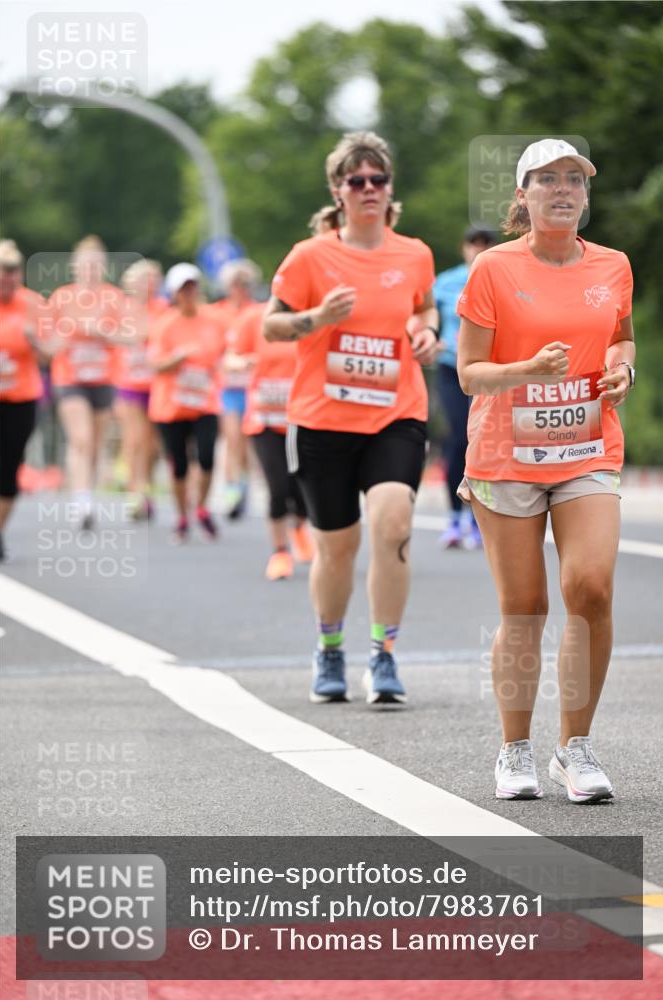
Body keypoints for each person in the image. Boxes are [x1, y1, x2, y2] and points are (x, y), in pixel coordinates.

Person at [456, 139, 635, 803]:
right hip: (506, 453)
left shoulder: (612, 265)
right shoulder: (493, 270)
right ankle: (513, 751)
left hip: (587, 445)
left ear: (585, 197)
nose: (561, 189)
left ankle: (574, 748)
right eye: (546, 180)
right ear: (522, 196)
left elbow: (619, 332)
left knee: (589, 587)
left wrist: (623, 369)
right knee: (523, 607)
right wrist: (524, 371)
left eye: (573, 180)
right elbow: (468, 372)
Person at [264, 131, 438, 705]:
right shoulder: (310, 256)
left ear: (390, 190)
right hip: (323, 419)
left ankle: (384, 655)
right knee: (336, 546)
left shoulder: (413, 253)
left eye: (377, 179)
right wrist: (315, 317)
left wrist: (427, 332)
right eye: (355, 180)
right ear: (338, 192)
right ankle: (329, 647)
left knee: (393, 523)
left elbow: (423, 305)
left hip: (396, 412)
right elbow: (271, 325)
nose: (368, 189)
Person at [229, 300, 315, 580]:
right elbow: (229, 356)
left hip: (302, 420)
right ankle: (280, 552)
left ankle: (300, 527)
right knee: (277, 487)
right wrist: (242, 362)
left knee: (303, 489)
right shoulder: (255, 316)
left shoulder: (312, 317)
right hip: (264, 419)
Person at [48, 235, 123, 531]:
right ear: (75, 267)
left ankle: (84, 492)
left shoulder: (114, 298)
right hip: (70, 376)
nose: (90, 270)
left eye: (96, 265)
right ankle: (81, 502)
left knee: (95, 442)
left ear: (103, 267)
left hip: (103, 376)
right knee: (81, 438)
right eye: (85, 265)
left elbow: (132, 337)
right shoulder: (61, 298)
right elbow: (49, 341)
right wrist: (69, 332)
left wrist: (102, 332)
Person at [148, 263, 223, 542]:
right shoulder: (164, 324)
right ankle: (181, 516)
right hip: (171, 406)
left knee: (206, 457)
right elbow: (155, 364)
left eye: (193, 287)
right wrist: (178, 357)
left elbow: (224, 355)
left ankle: (201, 507)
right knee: (178, 464)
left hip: (204, 403)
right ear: (174, 293)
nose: (190, 293)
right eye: (184, 288)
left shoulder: (213, 321)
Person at [433, 225, 497, 549]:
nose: (479, 249)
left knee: (484, 440)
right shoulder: (445, 282)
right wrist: (430, 339)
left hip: (489, 373)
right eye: (473, 243)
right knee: (459, 438)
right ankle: (455, 518)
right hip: (450, 368)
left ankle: (477, 518)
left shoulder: (501, 279)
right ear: (464, 247)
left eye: (486, 243)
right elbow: (428, 318)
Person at [0, 240, 50, 560]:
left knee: (8, 466)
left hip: (20, 397)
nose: (7, 278)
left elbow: (49, 357)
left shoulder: (32, 305)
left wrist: (35, 341)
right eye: (2, 272)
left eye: (13, 273)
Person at [114, 259, 168, 520]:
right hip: (129, 381)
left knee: (153, 443)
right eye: (144, 280)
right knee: (134, 438)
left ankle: (146, 486)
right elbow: (111, 335)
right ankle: (135, 491)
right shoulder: (123, 309)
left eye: (154, 280)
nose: (149, 285)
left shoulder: (165, 308)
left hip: (157, 382)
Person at [211, 259, 262, 519]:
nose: (240, 289)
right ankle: (232, 486)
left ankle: (243, 485)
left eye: (245, 284)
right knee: (232, 438)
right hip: (228, 387)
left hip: (254, 387)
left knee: (249, 442)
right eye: (235, 284)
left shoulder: (259, 312)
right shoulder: (217, 313)